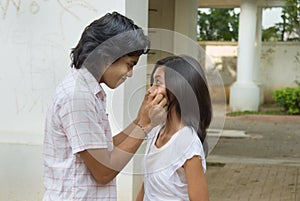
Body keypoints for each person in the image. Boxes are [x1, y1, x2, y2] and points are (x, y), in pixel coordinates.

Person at [43, 12, 167, 201]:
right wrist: (145, 127)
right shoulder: (78, 96)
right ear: (107, 56)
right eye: (129, 64)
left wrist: (140, 119)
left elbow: (105, 148)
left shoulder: (88, 91)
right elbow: (103, 172)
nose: (130, 74)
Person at [136, 55, 212, 201]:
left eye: (158, 83)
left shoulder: (187, 142)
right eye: (152, 83)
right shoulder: (156, 131)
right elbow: (147, 187)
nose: (150, 90)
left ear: (178, 89)